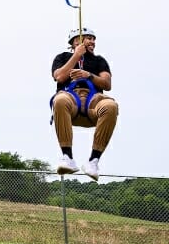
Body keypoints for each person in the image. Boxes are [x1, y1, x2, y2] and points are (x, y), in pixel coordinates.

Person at [50, 27, 119, 181]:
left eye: (94, 39)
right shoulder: (62, 57)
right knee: (59, 100)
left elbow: (107, 84)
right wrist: (76, 56)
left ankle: (94, 161)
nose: (93, 42)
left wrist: (88, 75)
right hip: (70, 98)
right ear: (76, 41)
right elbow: (60, 76)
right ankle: (67, 157)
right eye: (89, 38)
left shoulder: (99, 61)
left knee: (111, 106)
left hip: (93, 101)